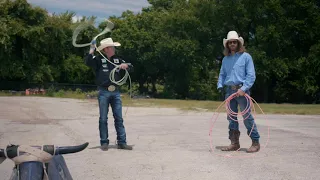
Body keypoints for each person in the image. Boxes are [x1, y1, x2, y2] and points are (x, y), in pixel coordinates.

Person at [84, 37, 133, 151]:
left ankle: (122, 142)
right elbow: (88, 62)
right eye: (112, 47)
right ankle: (104, 142)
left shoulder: (118, 60)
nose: (114, 49)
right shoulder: (98, 59)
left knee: (119, 118)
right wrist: (91, 50)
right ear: (106, 49)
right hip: (103, 91)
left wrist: (126, 66)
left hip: (115, 91)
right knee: (103, 118)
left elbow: (131, 67)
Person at [217, 31, 260, 153]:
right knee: (231, 117)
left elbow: (251, 75)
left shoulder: (246, 57)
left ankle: (255, 142)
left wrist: (243, 88)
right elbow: (222, 74)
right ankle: (234, 143)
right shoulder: (225, 59)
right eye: (230, 42)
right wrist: (220, 86)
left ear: (238, 43)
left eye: (234, 42)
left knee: (247, 117)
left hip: (242, 91)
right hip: (229, 92)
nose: (232, 44)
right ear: (227, 45)